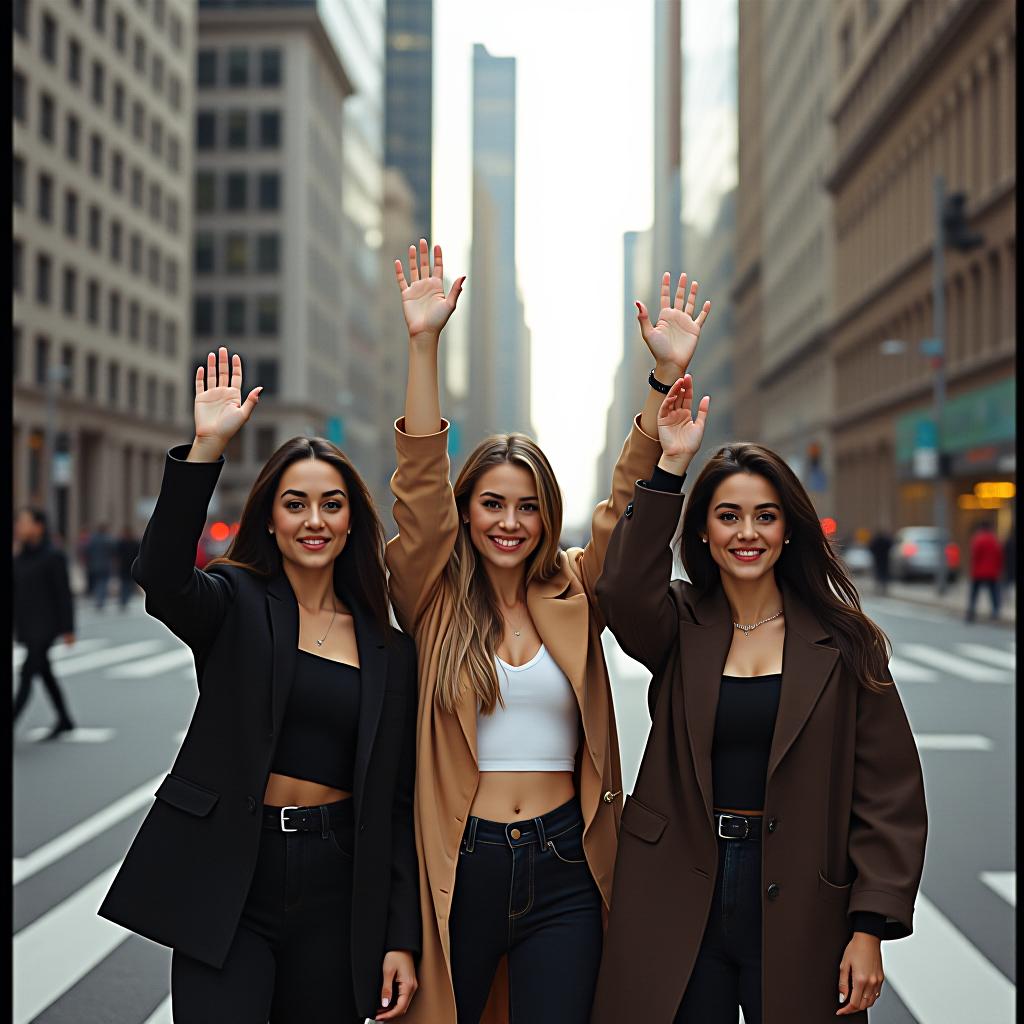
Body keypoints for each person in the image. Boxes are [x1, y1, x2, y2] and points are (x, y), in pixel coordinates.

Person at [387, 241, 711, 1024]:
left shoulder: (574, 587)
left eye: (527, 505)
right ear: (468, 511)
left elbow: (626, 509)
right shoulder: (433, 598)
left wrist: (663, 381)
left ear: (546, 515)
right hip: (461, 864)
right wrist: (424, 343)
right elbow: (420, 481)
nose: (509, 521)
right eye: (492, 503)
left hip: (566, 860)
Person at [591, 375, 928, 1023]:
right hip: (679, 885)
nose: (748, 533)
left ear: (789, 530)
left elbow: (889, 793)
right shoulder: (680, 624)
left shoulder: (843, 642)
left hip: (804, 896)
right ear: (705, 533)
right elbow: (622, 591)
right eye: (728, 515)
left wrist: (869, 928)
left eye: (765, 516)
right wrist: (669, 468)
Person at [98, 348, 421, 1023]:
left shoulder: (388, 647)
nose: (314, 520)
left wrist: (401, 937)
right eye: (295, 503)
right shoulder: (234, 601)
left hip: (338, 887)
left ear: (352, 520)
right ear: (270, 517)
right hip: (230, 879)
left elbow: (395, 807)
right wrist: (206, 448)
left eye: (331, 505)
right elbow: (160, 576)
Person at [12, 507, 77, 739]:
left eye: (24, 522)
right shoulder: (19, 557)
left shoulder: (53, 555)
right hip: (27, 626)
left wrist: (68, 628)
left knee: (27, 673)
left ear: (39, 526)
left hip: (46, 626)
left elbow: (63, 594)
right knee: (44, 673)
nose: (19, 526)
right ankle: (65, 719)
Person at [966, 520, 1003, 622]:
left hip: (979, 571)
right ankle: (995, 612)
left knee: (974, 593)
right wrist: (999, 569)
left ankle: (971, 611)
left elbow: (975, 555)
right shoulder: (994, 539)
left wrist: (972, 568)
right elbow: (999, 555)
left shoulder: (978, 539)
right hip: (992, 571)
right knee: (994, 592)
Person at [84, 523, 115, 610]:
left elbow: (87, 550)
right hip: (105, 565)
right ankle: (100, 600)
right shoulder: (108, 539)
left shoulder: (92, 539)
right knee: (103, 584)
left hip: (94, 565)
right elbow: (113, 551)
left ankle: (98, 599)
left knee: (97, 583)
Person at [116, 526, 140, 609]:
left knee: (128, 584)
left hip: (130, 566)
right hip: (125, 566)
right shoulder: (122, 543)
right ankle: (123, 600)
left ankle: (124, 599)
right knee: (125, 584)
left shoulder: (133, 542)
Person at [868, 527, 892, 595]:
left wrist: (875, 554)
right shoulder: (886, 540)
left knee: (879, 573)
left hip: (878, 559)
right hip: (885, 559)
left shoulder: (875, 541)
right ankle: (884, 588)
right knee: (884, 573)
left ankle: (879, 587)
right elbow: (890, 545)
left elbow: (871, 547)